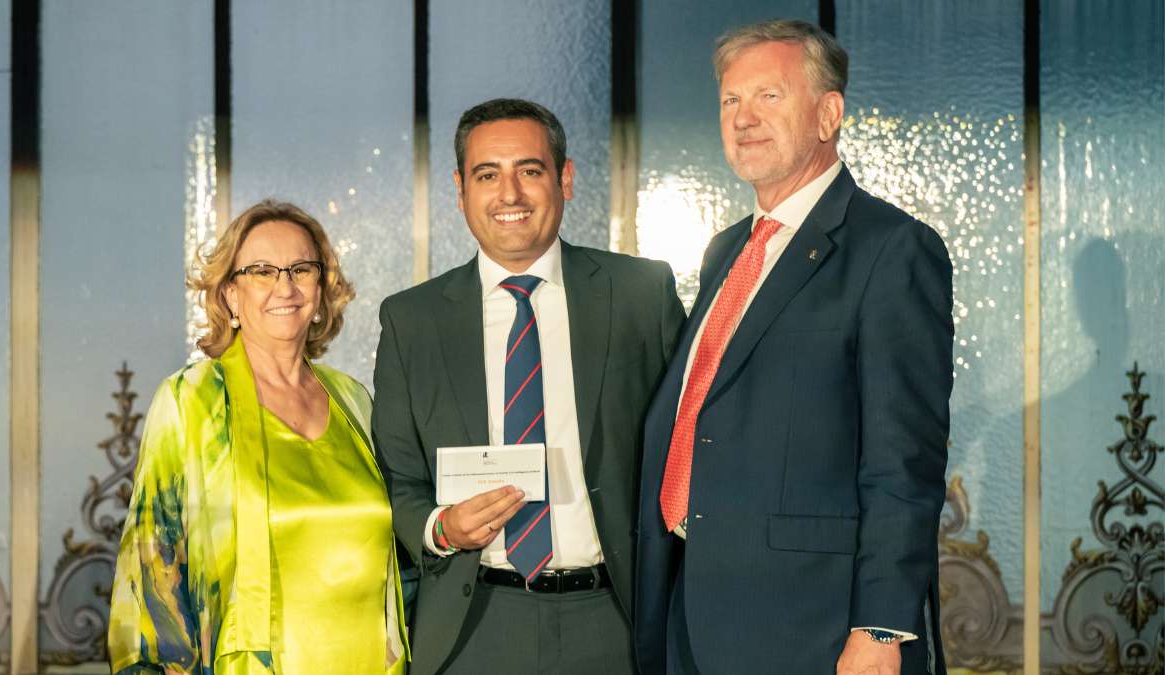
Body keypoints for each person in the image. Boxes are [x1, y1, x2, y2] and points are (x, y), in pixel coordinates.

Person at [635, 20, 953, 675]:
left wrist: (880, 627)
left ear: (828, 114)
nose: (743, 117)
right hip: (691, 613)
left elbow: (904, 461)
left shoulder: (891, 249)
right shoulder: (728, 250)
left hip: (813, 628)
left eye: (769, 96)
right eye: (730, 100)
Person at [373, 98, 686, 675]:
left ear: (565, 179)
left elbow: (691, 445)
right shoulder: (412, 320)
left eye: (530, 170)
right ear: (460, 190)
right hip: (473, 626)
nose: (509, 194)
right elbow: (396, 476)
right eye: (487, 175)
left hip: (616, 620)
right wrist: (440, 527)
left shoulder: (640, 294)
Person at [108, 200, 409, 674]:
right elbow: (151, 570)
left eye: (301, 269)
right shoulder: (191, 401)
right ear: (230, 295)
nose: (284, 287)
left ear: (320, 289)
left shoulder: (354, 401)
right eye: (262, 271)